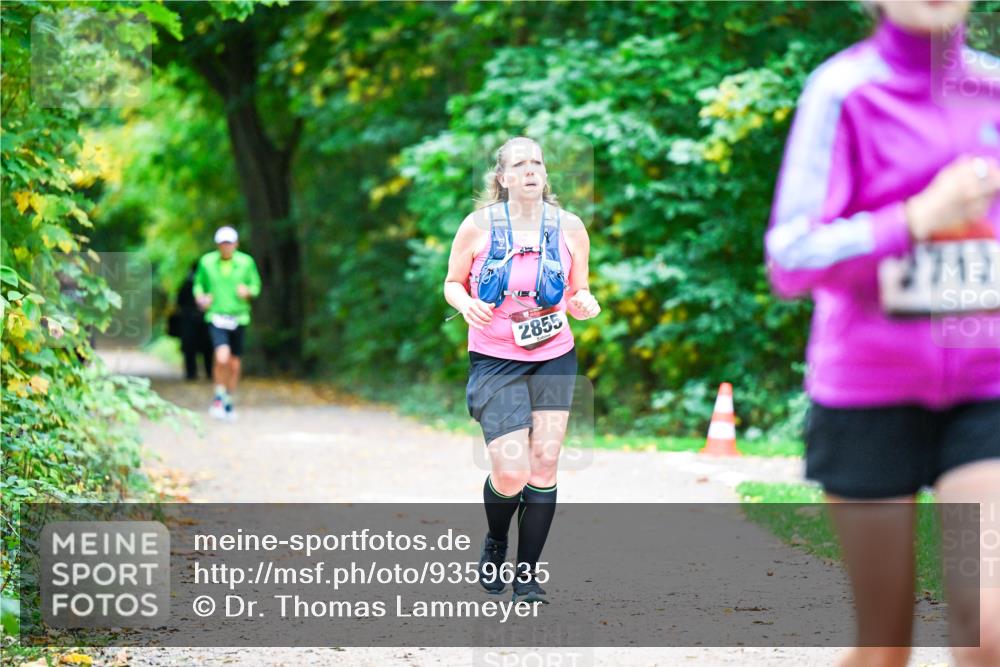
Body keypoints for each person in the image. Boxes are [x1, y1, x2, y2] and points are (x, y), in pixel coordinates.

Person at [765, 2, 999, 665]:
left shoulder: (994, 93)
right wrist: (915, 218)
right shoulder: (843, 92)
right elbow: (791, 255)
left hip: (987, 393)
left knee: (985, 624)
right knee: (885, 643)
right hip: (868, 395)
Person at [444, 137, 601, 604]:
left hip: (553, 351)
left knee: (545, 462)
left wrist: (585, 303)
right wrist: (467, 302)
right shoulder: (477, 227)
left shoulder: (570, 228)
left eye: (537, 162)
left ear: (545, 175)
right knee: (511, 471)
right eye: (520, 163)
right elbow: (452, 282)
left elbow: (579, 291)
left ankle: (527, 574)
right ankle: (496, 540)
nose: (530, 169)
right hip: (495, 356)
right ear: (503, 177)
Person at [194, 226, 262, 421]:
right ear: (217, 245)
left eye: (229, 243)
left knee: (234, 363)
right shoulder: (207, 262)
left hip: (239, 316)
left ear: (236, 244)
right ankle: (218, 397)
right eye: (223, 243)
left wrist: (248, 292)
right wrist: (201, 298)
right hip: (216, 316)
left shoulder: (246, 262)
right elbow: (198, 284)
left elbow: (256, 285)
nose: (226, 246)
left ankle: (228, 399)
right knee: (222, 357)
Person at [173, 260, 213, 381]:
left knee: (200, 349)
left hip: (196, 322)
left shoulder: (200, 285)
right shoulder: (201, 285)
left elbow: (178, 303)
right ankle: (203, 373)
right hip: (193, 322)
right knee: (203, 349)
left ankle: (194, 374)